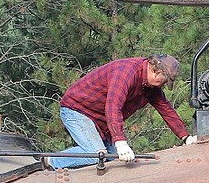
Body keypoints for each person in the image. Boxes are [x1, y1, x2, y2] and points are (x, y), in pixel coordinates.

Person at [44, 54, 196, 169]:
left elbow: (166, 110)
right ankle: (51, 161)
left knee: (114, 161)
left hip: (100, 119)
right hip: (77, 110)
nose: (162, 85)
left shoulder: (150, 88)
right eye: (164, 81)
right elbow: (113, 106)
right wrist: (120, 141)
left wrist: (186, 137)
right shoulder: (126, 72)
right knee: (97, 155)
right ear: (156, 72)